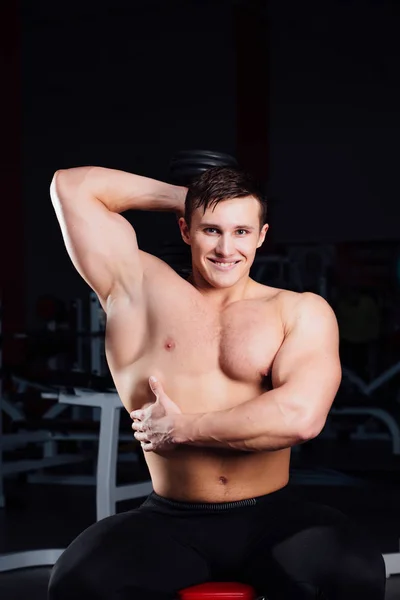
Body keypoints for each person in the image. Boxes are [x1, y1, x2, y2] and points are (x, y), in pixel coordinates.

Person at [48, 165, 386, 599]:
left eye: (241, 231)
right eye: (212, 229)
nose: (227, 248)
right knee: (81, 583)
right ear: (186, 229)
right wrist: (187, 195)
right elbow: (72, 187)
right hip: (171, 520)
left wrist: (182, 428)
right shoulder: (136, 290)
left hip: (273, 517)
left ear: (262, 236)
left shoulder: (298, 310)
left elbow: (300, 418)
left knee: (353, 572)